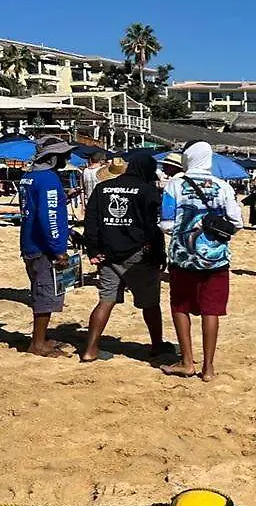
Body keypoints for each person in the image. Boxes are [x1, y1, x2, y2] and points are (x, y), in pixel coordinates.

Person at [159, 141, 243, 382]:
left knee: (180, 307)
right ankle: (208, 368)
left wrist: (187, 229)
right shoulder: (223, 186)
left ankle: (186, 362)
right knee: (211, 310)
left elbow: (166, 224)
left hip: (182, 257)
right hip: (216, 259)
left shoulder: (173, 185)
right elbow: (236, 223)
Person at [80, 153, 170, 362]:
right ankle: (157, 344)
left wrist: (92, 250)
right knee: (150, 303)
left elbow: (91, 221)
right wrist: (159, 252)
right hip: (139, 254)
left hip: (107, 254)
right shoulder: (147, 190)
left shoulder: (103, 188)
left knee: (105, 301)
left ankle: (90, 349)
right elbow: (152, 225)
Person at [18, 136, 73, 357]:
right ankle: (37, 343)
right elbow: (49, 216)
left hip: (30, 242)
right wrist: (59, 249)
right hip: (44, 247)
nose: (67, 158)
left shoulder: (28, 177)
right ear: (52, 157)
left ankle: (40, 338)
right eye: (63, 154)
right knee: (46, 294)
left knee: (40, 291)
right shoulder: (48, 179)